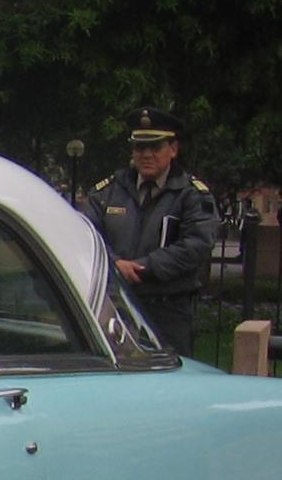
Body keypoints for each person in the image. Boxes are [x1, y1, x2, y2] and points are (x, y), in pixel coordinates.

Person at [82, 107, 218, 357]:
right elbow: (85, 233)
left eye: (155, 147)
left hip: (167, 311)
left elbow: (196, 244)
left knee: (171, 386)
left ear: (173, 149)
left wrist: (145, 267)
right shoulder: (108, 191)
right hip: (115, 306)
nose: (146, 155)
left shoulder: (191, 194)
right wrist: (114, 264)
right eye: (139, 148)